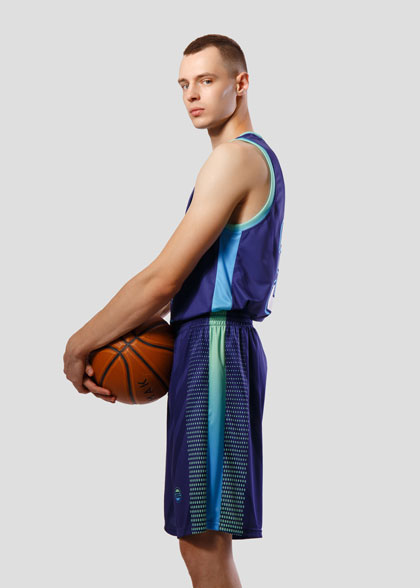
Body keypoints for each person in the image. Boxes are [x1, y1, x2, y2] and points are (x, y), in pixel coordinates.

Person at [63, 33, 285, 588]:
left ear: (240, 83)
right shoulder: (240, 160)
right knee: (200, 537)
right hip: (212, 346)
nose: (191, 94)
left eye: (206, 80)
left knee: (202, 539)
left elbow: (164, 278)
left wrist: (77, 346)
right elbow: (177, 287)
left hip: (215, 347)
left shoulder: (235, 158)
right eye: (184, 84)